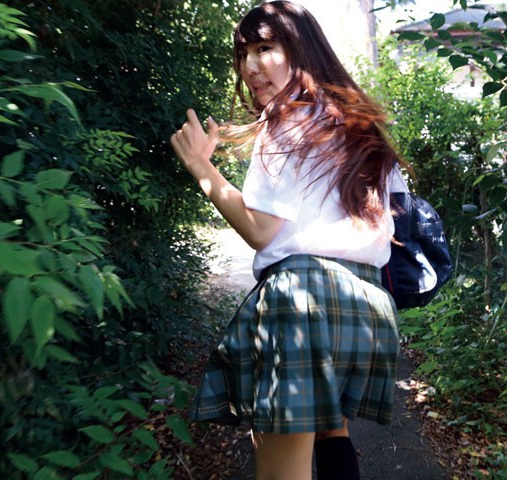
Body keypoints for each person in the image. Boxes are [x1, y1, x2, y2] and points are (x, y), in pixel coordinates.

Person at [170, 2, 403, 479]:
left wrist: (199, 165)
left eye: (264, 48)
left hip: (303, 302)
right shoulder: (359, 126)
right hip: (366, 305)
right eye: (244, 53)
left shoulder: (287, 120)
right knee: (332, 429)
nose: (250, 66)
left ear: (301, 50)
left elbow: (260, 231)